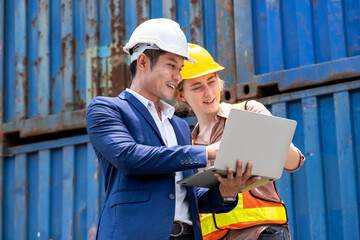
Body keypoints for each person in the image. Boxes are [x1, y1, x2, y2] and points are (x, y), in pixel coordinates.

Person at [86, 18, 260, 240]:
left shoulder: (178, 125)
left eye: (180, 69)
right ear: (142, 62)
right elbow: (129, 157)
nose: (177, 77)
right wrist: (207, 152)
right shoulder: (107, 109)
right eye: (171, 66)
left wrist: (226, 190)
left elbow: (188, 195)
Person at [174, 43, 305, 240]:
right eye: (197, 87)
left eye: (211, 81)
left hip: (262, 233)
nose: (209, 93)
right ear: (181, 95)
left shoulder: (248, 111)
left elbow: (294, 163)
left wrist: (269, 134)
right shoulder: (189, 148)